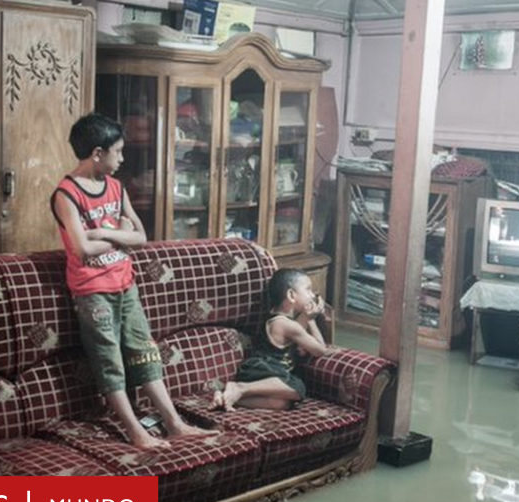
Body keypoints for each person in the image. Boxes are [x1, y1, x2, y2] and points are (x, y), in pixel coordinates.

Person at [51, 113, 215, 450]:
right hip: (92, 291)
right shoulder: (66, 194)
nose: (122, 159)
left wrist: (100, 232)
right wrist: (116, 233)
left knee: (144, 352)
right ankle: (136, 432)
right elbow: (82, 250)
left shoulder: (116, 187)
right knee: (109, 361)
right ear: (98, 153)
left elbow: (141, 236)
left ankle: (174, 423)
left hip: (126, 285)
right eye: (118, 151)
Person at [211, 268, 332, 411]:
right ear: (291, 295)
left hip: (260, 372)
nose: (312, 295)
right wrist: (312, 320)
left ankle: (225, 396)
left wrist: (306, 317)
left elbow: (298, 332)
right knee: (298, 387)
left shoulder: (278, 319)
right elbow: (320, 350)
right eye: (308, 289)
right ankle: (241, 387)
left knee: (281, 404)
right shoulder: (287, 325)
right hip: (264, 371)